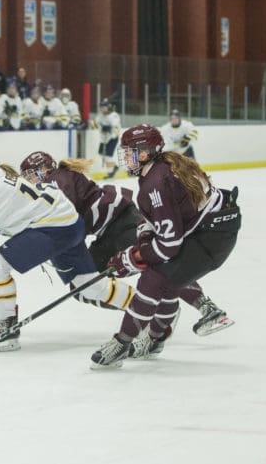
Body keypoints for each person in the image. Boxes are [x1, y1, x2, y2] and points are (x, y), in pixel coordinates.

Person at [0, 143, 134, 352]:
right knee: (89, 286)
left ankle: (7, 329)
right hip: (68, 223)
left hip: (54, 227)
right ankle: (144, 308)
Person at [20, 150, 234, 334]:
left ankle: (208, 308)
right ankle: (149, 312)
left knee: (158, 263)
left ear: (43, 171)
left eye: (30, 175)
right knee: (83, 286)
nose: (28, 180)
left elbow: (64, 218)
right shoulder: (53, 182)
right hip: (106, 234)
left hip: (123, 221)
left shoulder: (56, 180)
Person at [90, 125, 241, 369]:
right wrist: (143, 241)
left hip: (212, 237)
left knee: (153, 279)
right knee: (168, 282)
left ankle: (122, 343)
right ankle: (153, 341)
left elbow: (169, 244)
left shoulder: (156, 182)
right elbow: (160, 221)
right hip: (215, 229)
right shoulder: (162, 169)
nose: (126, 157)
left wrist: (134, 257)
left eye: (131, 152)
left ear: (147, 152)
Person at [90, 99, 122, 178]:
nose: (102, 109)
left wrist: (109, 129)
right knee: (101, 154)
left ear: (108, 107)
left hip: (112, 138)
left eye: (104, 107)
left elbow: (117, 129)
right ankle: (114, 168)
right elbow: (93, 125)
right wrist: (93, 125)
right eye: (101, 107)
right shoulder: (100, 116)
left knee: (108, 156)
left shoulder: (114, 115)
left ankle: (110, 173)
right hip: (103, 139)